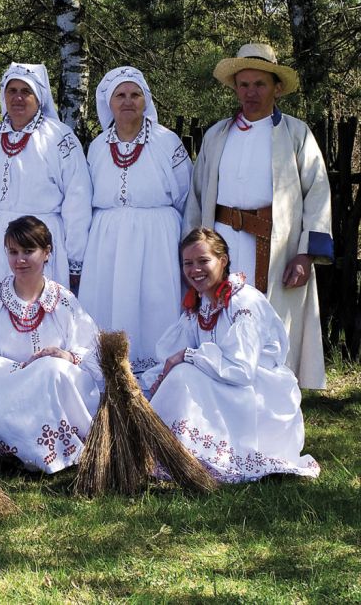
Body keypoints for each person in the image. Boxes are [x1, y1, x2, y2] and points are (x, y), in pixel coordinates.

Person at [183, 43, 333, 389]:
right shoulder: (217, 135)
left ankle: (271, 399)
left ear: (276, 87)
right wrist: (191, 253)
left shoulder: (296, 134)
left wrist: (305, 252)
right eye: (244, 84)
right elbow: (197, 195)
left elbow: (318, 194)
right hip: (221, 244)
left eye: (260, 84)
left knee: (269, 322)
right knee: (223, 317)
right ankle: (221, 394)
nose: (251, 92)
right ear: (235, 87)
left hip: (275, 247)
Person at [0, 63, 91, 380]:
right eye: (11, 90)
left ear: (39, 96)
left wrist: (77, 257)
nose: (18, 97)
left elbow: (78, 199)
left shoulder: (60, 138)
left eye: (25, 91)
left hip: (38, 238)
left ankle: (39, 375)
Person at [144, 227, 319, 482]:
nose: (195, 270)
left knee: (183, 376)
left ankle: (188, 455)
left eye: (203, 261)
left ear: (222, 261)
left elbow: (241, 370)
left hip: (256, 391)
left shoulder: (244, 303)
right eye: (188, 263)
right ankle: (169, 453)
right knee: (172, 377)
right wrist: (159, 377)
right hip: (223, 383)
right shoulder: (202, 303)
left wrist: (188, 357)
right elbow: (173, 355)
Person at [0, 216, 101, 473]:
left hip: (53, 388)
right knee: (43, 371)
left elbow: (88, 348)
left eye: (29, 251)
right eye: (13, 252)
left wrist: (66, 356)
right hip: (3, 385)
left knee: (51, 369)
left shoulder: (64, 301)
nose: (20, 259)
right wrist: (22, 370)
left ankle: (47, 447)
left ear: (47, 253)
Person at [79, 66, 192, 374]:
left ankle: (155, 376)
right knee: (110, 306)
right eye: (120, 95)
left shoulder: (167, 142)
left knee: (155, 305)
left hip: (157, 239)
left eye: (135, 94)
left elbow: (185, 196)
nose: (127, 101)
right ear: (108, 103)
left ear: (146, 100)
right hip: (108, 242)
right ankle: (110, 378)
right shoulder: (98, 147)